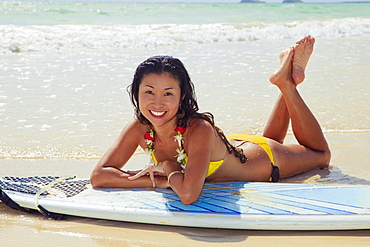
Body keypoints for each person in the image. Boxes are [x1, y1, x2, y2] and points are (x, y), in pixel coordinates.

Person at [90, 35, 331, 205]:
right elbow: (99, 176)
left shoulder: (199, 130)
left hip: (266, 159)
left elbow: (187, 195)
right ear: (136, 93)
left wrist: (169, 168)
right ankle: (287, 75)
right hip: (234, 147)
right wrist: (156, 182)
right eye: (149, 92)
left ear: (182, 96)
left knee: (321, 155)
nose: (157, 103)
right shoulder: (139, 127)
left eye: (168, 94)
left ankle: (286, 84)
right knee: (271, 138)